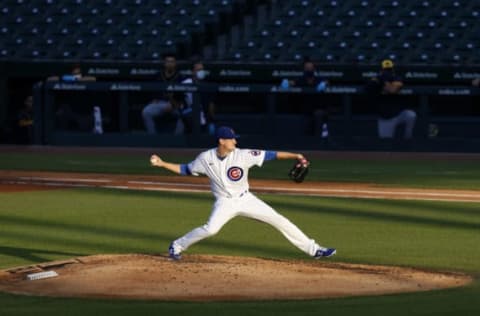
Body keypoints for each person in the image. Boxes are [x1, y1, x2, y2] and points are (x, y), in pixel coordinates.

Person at [149, 126, 336, 260]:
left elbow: (271, 154)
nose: (235, 141)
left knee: (280, 220)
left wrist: (296, 155)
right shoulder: (205, 158)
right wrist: (162, 163)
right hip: (225, 203)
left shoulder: (243, 155)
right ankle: (177, 245)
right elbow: (185, 169)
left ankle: (314, 250)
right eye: (231, 138)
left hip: (246, 199)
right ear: (221, 141)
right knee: (211, 229)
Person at [367, 59, 416, 139]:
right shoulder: (375, 79)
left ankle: (407, 139)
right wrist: (381, 80)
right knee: (386, 143)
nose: (387, 72)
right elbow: (369, 88)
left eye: (389, 70)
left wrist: (385, 81)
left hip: (399, 113)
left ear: (392, 70)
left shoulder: (397, 78)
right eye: (385, 70)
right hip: (386, 117)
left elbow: (392, 90)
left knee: (411, 115)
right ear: (381, 70)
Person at [281, 59, 330, 138]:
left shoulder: (319, 79)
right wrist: (286, 82)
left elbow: (327, 82)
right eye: (307, 68)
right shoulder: (301, 79)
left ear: (314, 69)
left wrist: (324, 83)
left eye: (310, 68)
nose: (309, 70)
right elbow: (292, 83)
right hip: (304, 107)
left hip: (319, 107)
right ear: (304, 69)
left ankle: (321, 138)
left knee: (319, 114)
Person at [142, 53, 184, 134]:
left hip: (176, 104)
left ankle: (177, 139)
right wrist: (153, 99)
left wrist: (173, 104)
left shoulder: (180, 77)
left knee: (184, 114)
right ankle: (153, 137)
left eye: (172, 62)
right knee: (146, 112)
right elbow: (152, 91)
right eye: (168, 62)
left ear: (175, 64)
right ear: (164, 63)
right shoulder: (158, 76)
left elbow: (183, 95)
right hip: (160, 103)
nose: (170, 64)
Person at [177, 61, 216, 134]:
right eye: (198, 70)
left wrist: (211, 118)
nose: (201, 72)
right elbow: (178, 99)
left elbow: (211, 104)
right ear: (192, 72)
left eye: (202, 70)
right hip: (189, 112)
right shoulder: (186, 83)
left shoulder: (207, 84)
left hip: (204, 114)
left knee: (212, 129)